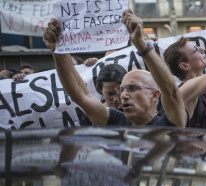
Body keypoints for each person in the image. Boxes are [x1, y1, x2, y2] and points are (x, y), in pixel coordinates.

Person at [43, 9, 187, 127]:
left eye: (132, 88)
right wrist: (58, 50)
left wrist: (141, 44)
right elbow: (81, 95)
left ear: (155, 95)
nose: (123, 95)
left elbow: (171, 91)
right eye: (121, 89)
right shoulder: (115, 121)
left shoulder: (170, 125)